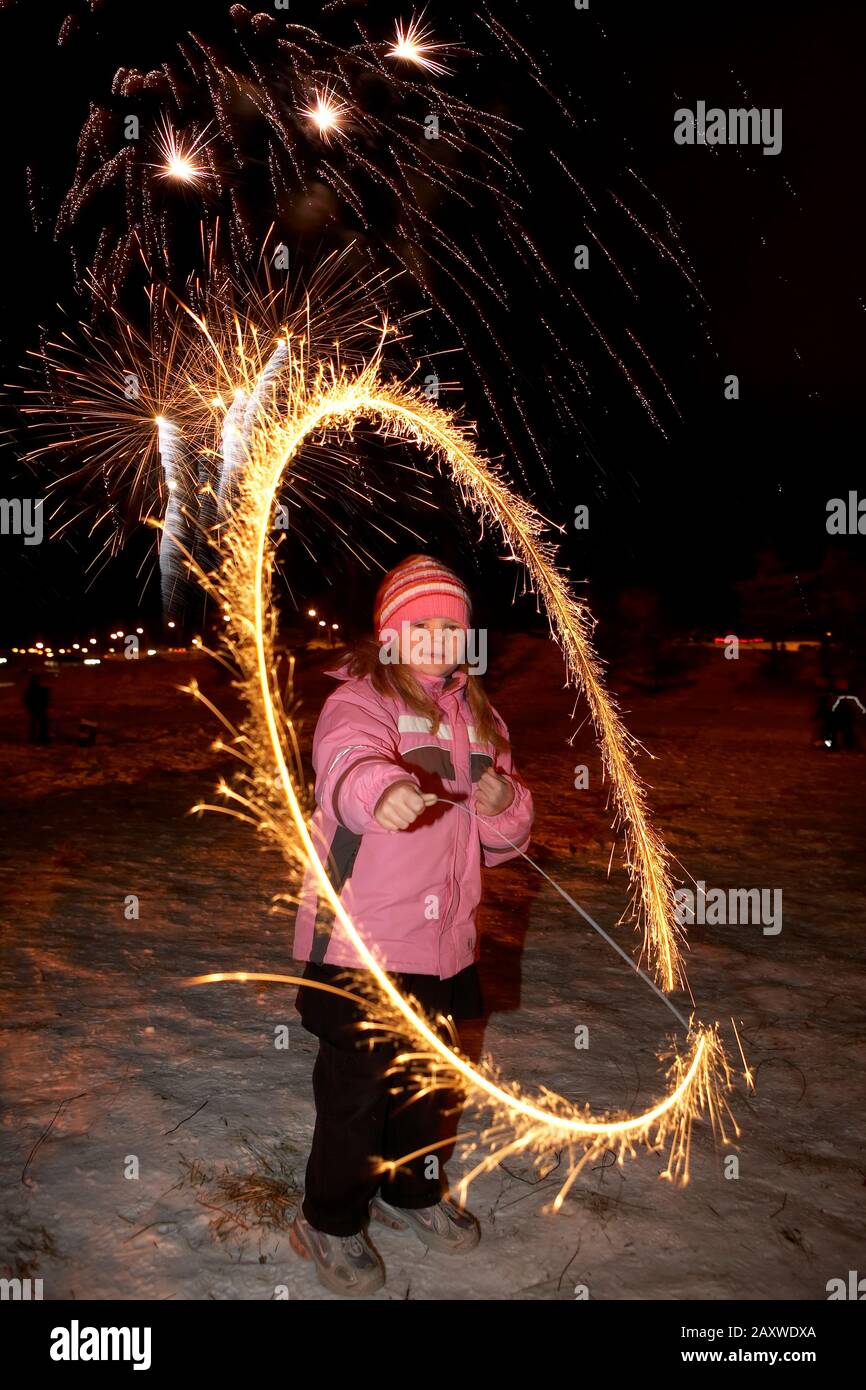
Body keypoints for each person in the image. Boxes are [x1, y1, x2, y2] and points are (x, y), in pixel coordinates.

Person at [289, 554, 534, 1295]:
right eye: (419, 625)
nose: (435, 637)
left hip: (445, 942)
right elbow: (345, 764)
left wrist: (504, 807)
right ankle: (328, 1222)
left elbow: (507, 839)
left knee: (430, 1085)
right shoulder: (358, 698)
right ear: (390, 634)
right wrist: (382, 787)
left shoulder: (481, 718)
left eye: (449, 626)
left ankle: (412, 1193)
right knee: (360, 1089)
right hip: (364, 941)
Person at [24, 673, 51, 743]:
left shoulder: (30, 689)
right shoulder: (40, 690)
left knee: (34, 724)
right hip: (39, 709)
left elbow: (26, 699)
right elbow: (45, 699)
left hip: (34, 709)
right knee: (42, 723)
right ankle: (41, 737)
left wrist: (28, 707)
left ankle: (33, 738)